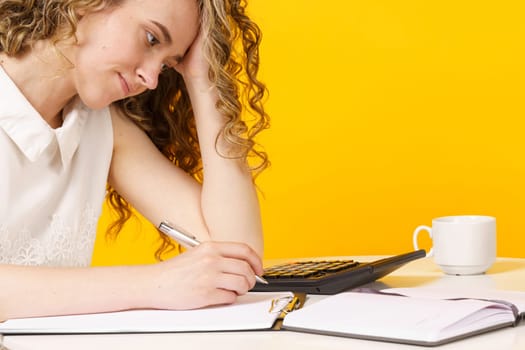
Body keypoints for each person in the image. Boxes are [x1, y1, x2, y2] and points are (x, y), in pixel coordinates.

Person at [0, 0, 269, 321]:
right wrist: (155, 284)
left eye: (169, 63)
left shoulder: (101, 128)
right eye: (152, 39)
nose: (153, 78)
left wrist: (204, 79)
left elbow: (236, 257)